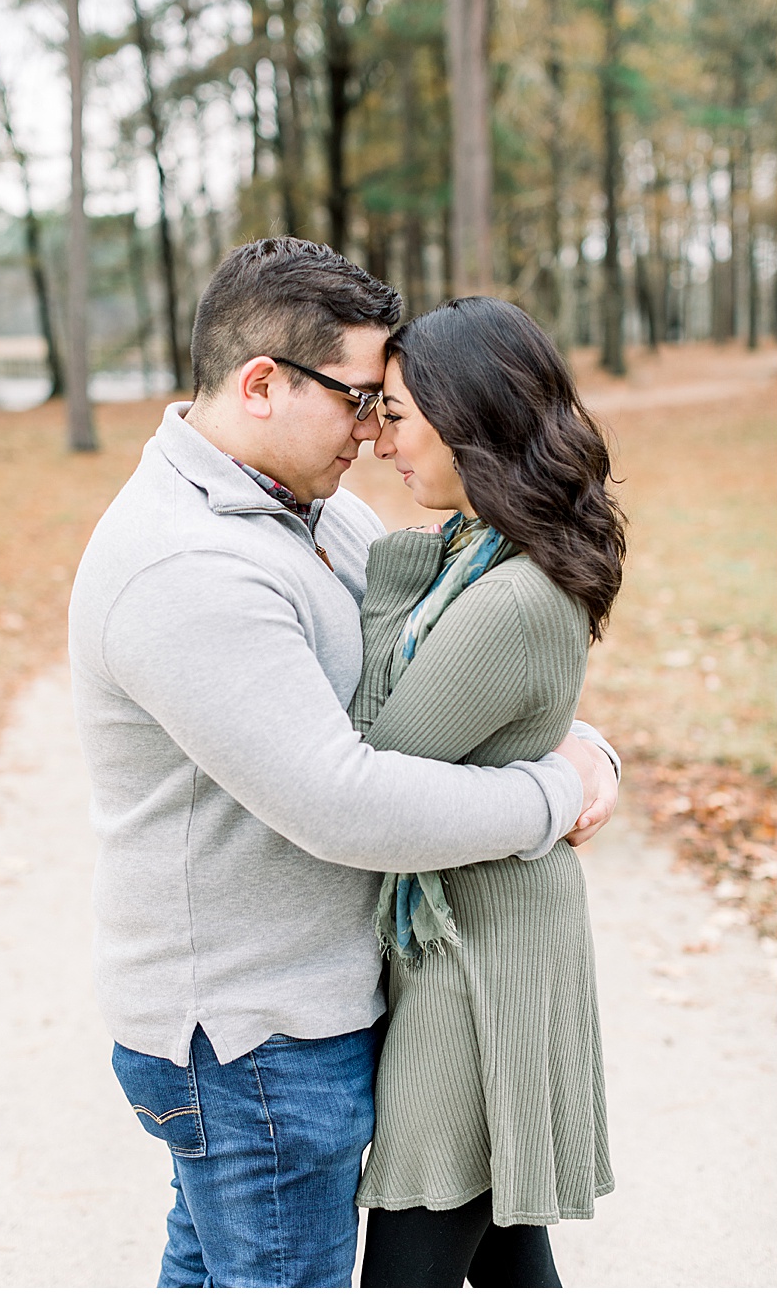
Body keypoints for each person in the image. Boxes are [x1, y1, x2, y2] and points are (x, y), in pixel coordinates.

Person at [66, 238, 621, 1288]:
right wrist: (553, 794)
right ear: (263, 384)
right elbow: (344, 802)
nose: (375, 435)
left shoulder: (316, 514)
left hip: (300, 1011)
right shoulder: (188, 563)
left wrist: (583, 744)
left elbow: (461, 676)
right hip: (254, 1040)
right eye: (360, 400)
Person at [351, 298, 623, 1287]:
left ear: (464, 415)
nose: (380, 440)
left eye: (395, 413)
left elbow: (370, 767)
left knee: (407, 1271)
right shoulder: (482, 553)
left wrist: (388, 580)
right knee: (511, 1259)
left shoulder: (507, 594)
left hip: (477, 967)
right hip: (475, 936)